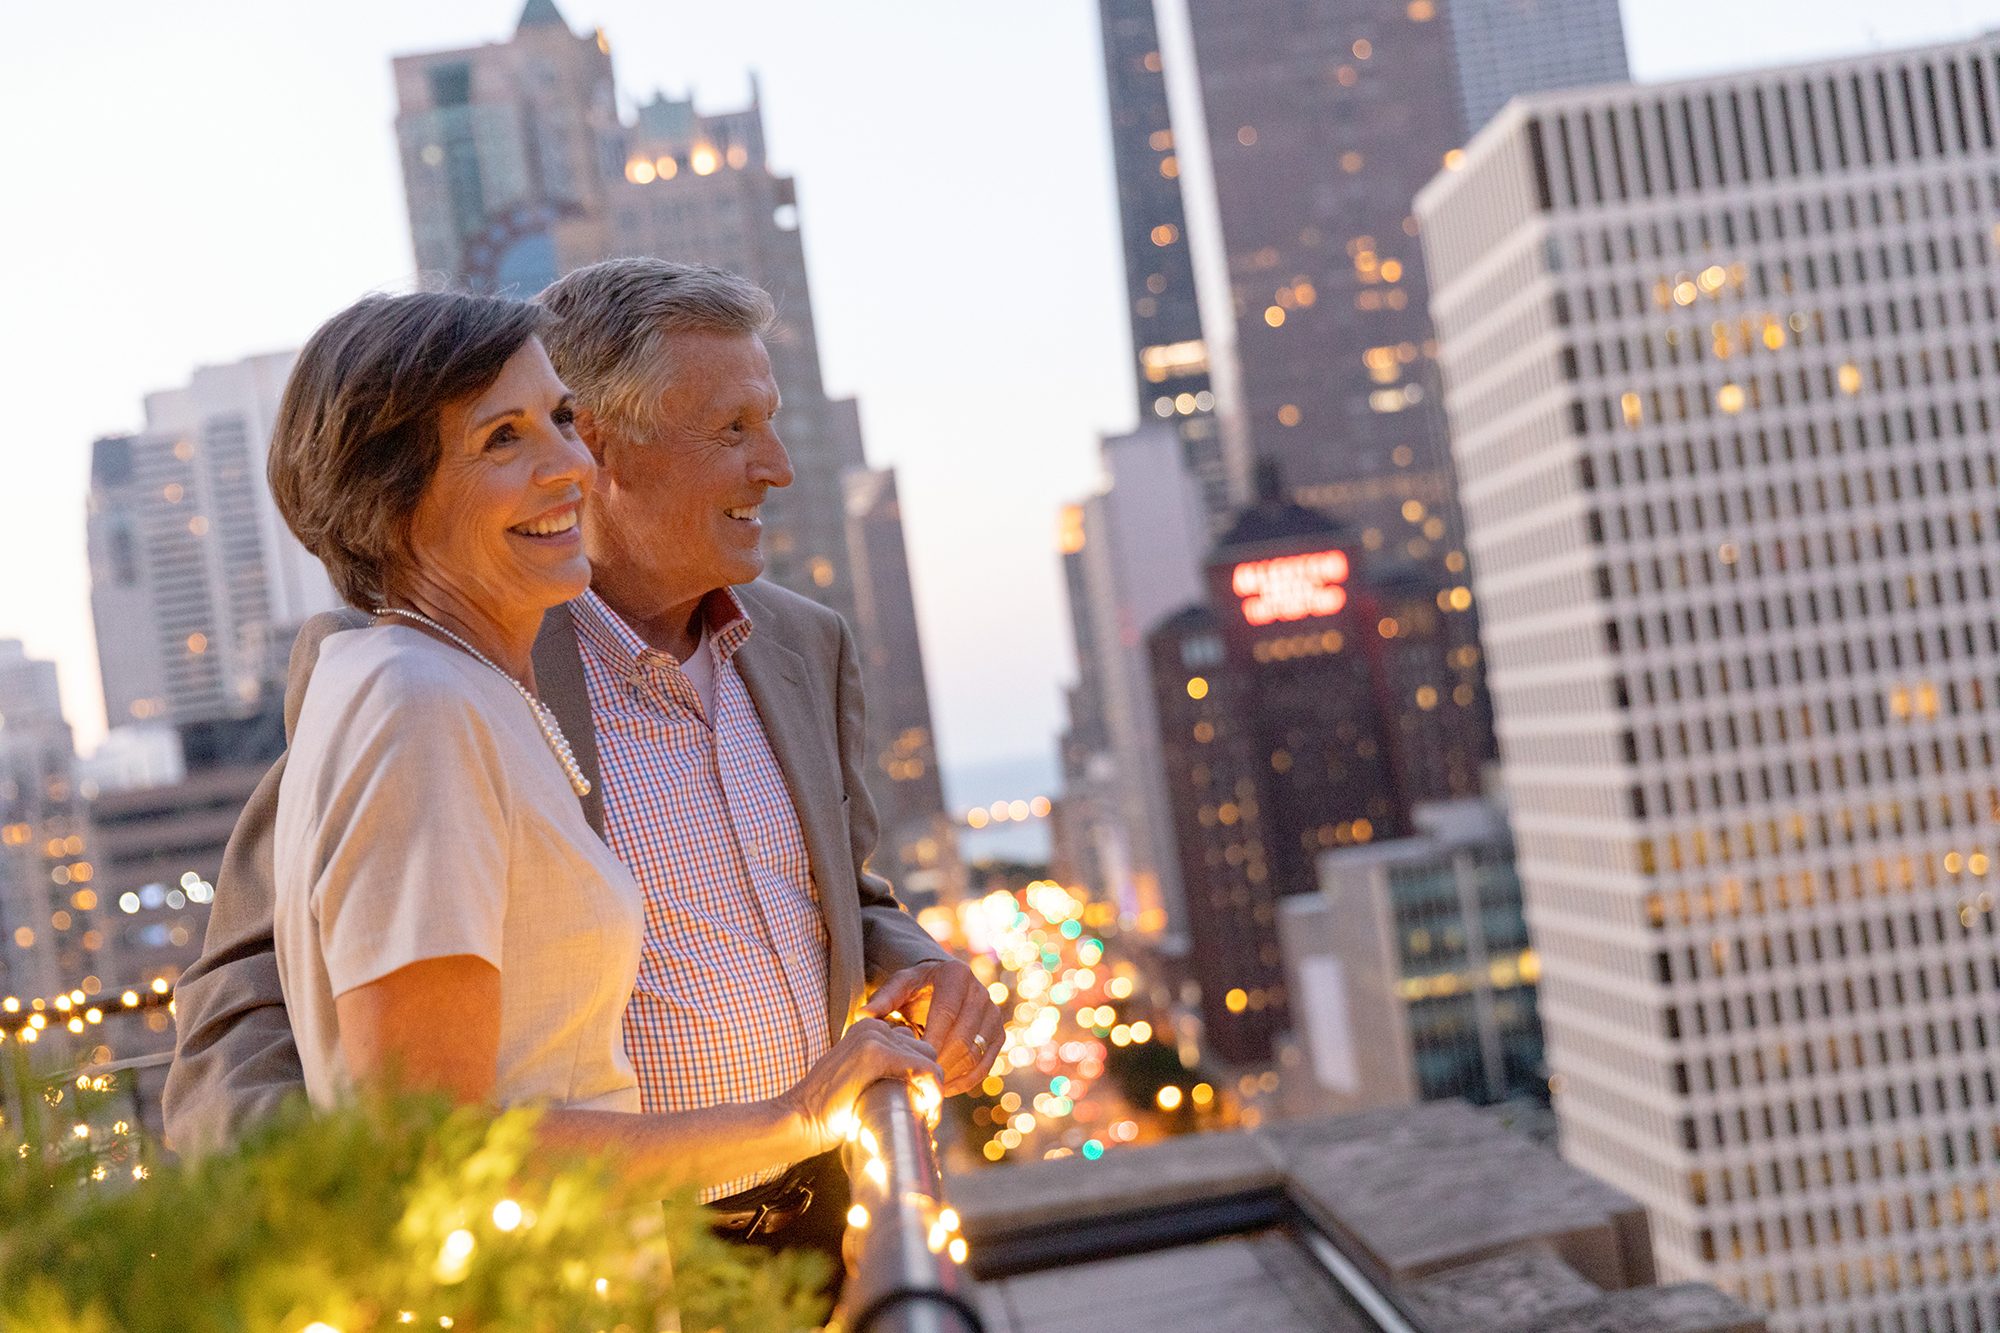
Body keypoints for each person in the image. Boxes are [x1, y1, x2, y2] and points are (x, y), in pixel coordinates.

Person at [166, 264, 1005, 1268]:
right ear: (612, 445)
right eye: (731, 428)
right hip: (592, 1245)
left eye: (550, 421)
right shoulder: (422, 683)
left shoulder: (801, 645)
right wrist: (316, 1229)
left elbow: (835, 887)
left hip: (816, 1215)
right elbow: (271, 994)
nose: (775, 465)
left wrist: (911, 960)